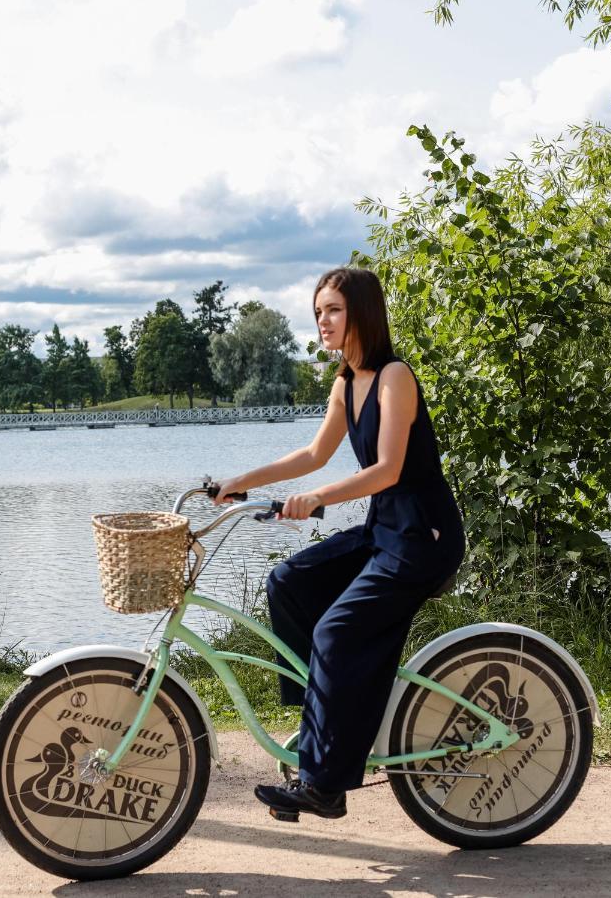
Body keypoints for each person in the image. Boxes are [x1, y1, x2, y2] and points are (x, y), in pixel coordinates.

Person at [211, 266, 466, 820]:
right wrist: (241, 482)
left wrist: (317, 498)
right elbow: (312, 455)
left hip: (423, 538)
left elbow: (388, 469)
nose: (322, 321)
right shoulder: (347, 382)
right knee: (289, 583)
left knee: (335, 629)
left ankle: (324, 784)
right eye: (318, 311)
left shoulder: (395, 376)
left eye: (333, 310)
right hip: (385, 533)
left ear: (361, 314)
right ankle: (319, 735)